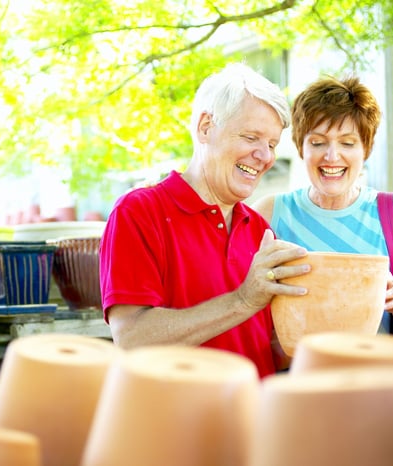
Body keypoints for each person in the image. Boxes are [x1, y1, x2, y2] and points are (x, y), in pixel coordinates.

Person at [251, 75, 393, 406]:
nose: (332, 156)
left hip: (378, 403)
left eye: (348, 143)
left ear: (367, 149)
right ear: (301, 147)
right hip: (296, 403)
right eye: (318, 142)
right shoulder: (269, 214)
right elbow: (249, 317)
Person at [99, 62, 311, 378]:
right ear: (206, 127)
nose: (265, 156)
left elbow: (268, 348)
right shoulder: (139, 212)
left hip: (252, 419)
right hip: (179, 424)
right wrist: (243, 300)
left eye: (271, 144)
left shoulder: (259, 229)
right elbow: (132, 339)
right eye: (252, 137)